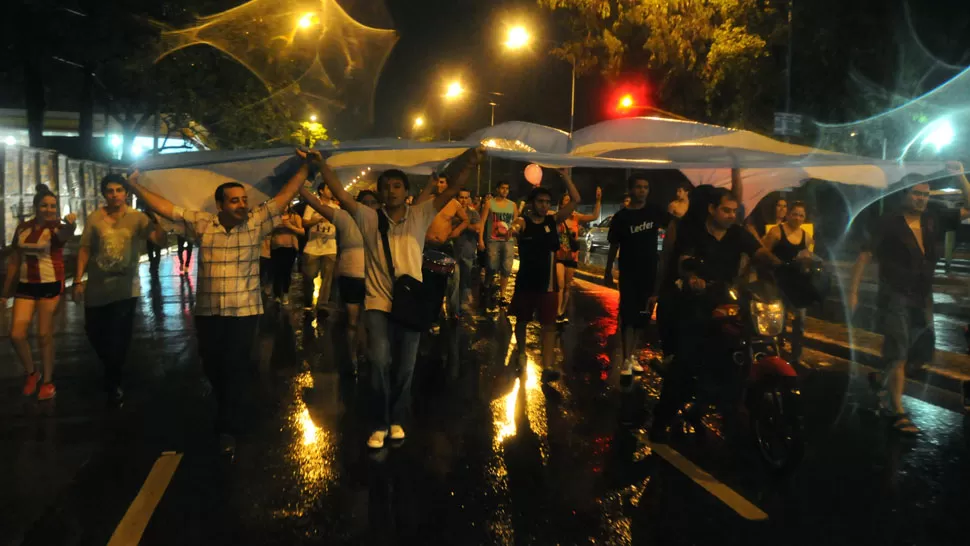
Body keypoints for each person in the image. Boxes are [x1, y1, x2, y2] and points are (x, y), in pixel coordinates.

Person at [125, 150, 311, 455]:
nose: (242, 204)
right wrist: (135, 186)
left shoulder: (256, 222)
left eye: (243, 199)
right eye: (235, 200)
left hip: (244, 311)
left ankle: (227, 424)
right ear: (220, 205)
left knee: (234, 364)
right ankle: (227, 400)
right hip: (209, 311)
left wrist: (306, 166)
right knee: (212, 363)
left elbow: (284, 194)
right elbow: (168, 209)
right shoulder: (203, 223)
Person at [317, 147, 483, 449]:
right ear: (379, 192)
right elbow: (340, 194)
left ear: (407, 191)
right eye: (385, 187)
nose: (390, 191)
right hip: (377, 302)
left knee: (406, 366)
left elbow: (456, 189)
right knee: (380, 360)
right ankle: (379, 422)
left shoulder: (420, 213)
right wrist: (320, 166)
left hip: (411, 303)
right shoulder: (367, 217)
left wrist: (470, 162)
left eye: (396, 186)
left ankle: (396, 418)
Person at [848, 163, 970, 434]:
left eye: (925, 195)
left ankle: (881, 378)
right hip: (895, 296)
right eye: (916, 193)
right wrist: (853, 292)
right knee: (898, 352)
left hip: (922, 297)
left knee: (921, 353)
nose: (921, 199)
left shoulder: (933, 219)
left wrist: (961, 176)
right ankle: (897, 410)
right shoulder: (887, 222)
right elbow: (865, 256)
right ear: (904, 194)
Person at [651, 188, 780, 441]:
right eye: (726, 210)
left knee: (741, 347)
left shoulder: (737, 234)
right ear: (712, 209)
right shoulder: (693, 232)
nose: (731, 215)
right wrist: (692, 277)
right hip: (695, 303)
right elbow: (683, 261)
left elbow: (760, 253)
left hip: (728, 302)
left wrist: (786, 265)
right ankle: (661, 420)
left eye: (734, 211)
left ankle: (729, 400)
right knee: (686, 363)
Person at [74, 174, 167, 404]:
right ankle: (111, 366)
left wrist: (159, 222)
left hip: (126, 288)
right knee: (94, 331)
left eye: (118, 190)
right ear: (104, 194)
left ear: (126, 193)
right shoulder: (95, 218)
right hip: (97, 287)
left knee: (119, 335)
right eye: (110, 191)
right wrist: (77, 280)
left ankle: (113, 380)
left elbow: (159, 240)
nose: (114, 194)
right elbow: (85, 249)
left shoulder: (137, 218)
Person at [1, 185, 77, 400]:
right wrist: (5, 293)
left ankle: (48, 381)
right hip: (25, 285)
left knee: (44, 334)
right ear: (36, 207)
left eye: (53, 206)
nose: (48, 209)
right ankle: (32, 373)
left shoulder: (57, 229)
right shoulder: (23, 228)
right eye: (44, 205)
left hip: (50, 284)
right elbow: (15, 261)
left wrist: (72, 224)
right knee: (16, 334)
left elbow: (67, 232)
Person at [299, 185, 380, 372]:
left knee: (369, 321)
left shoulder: (383, 222)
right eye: (364, 203)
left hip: (375, 279)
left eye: (372, 203)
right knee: (352, 319)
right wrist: (300, 184)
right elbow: (315, 205)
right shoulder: (345, 218)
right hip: (351, 275)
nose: (368, 206)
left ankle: (367, 353)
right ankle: (352, 355)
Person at [509, 171, 581, 380]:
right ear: (532, 203)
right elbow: (516, 227)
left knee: (549, 326)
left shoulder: (552, 221)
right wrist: (512, 230)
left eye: (547, 202)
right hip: (525, 282)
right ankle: (521, 352)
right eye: (540, 201)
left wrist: (566, 177)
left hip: (548, 285)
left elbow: (576, 199)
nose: (544, 205)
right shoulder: (523, 222)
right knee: (522, 321)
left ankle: (547, 367)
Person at [604, 175, 673, 376]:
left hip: (650, 270)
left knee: (643, 315)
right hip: (628, 271)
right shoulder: (621, 218)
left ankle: (632, 354)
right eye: (639, 187)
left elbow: (674, 226)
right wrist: (608, 271)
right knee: (627, 315)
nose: (642, 191)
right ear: (631, 190)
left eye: (646, 187)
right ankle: (625, 358)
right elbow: (613, 245)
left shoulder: (654, 212)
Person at [762, 201, 815, 366]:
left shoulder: (806, 237)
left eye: (801, 215)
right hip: (778, 282)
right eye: (795, 214)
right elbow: (762, 252)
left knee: (800, 320)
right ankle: (777, 352)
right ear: (788, 214)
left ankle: (796, 357)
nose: (798, 218)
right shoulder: (777, 232)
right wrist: (774, 263)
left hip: (797, 284)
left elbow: (809, 258)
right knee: (780, 320)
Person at [416, 174, 469, 319]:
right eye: (437, 182)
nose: (439, 185)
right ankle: (427, 314)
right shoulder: (428, 201)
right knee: (426, 282)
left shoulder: (454, 204)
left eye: (441, 182)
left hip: (444, 246)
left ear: (447, 185)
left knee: (443, 283)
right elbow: (414, 211)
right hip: (426, 247)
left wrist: (456, 231)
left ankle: (442, 313)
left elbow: (465, 220)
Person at [555, 186, 601, 322]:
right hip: (559, 256)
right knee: (560, 283)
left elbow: (594, 216)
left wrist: (598, 200)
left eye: (570, 200)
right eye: (566, 200)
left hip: (571, 256)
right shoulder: (557, 217)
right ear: (561, 203)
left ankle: (563, 310)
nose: (569, 203)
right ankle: (557, 311)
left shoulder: (576, 217)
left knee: (567, 285)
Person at [479, 181, 519, 307]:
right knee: (491, 266)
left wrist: (513, 229)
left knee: (507, 267)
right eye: (502, 188)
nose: (505, 191)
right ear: (497, 189)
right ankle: (486, 284)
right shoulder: (490, 203)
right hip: (493, 240)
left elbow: (516, 222)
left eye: (507, 188)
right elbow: (482, 222)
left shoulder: (512, 205)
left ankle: (502, 295)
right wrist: (480, 239)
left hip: (507, 241)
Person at [301, 184, 338, 313]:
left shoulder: (335, 208)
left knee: (327, 278)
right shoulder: (312, 206)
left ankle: (322, 304)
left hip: (330, 247)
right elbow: (304, 223)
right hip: (312, 247)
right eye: (328, 188)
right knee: (309, 276)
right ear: (321, 191)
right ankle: (307, 301)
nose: (331, 191)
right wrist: (317, 220)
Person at [270, 204, 304, 305]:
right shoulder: (274, 217)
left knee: (287, 271)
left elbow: (302, 231)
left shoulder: (295, 217)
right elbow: (267, 230)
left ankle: (285, 293)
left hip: (290, 248)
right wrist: (276, 226)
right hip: (276, 247)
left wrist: (290, 227)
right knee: (276, 272)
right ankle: (276, 294)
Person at [455, 189, 482, 313]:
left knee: (465, 278)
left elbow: (477, 227)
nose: (463, 200)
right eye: (461, 197)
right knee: (453, 280)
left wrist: (462, 224)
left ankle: (462, 303)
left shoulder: (473, 213)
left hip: (468, 250)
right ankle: (453, 306)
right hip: (453, 250)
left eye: (466, 197)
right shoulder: (451, 211)